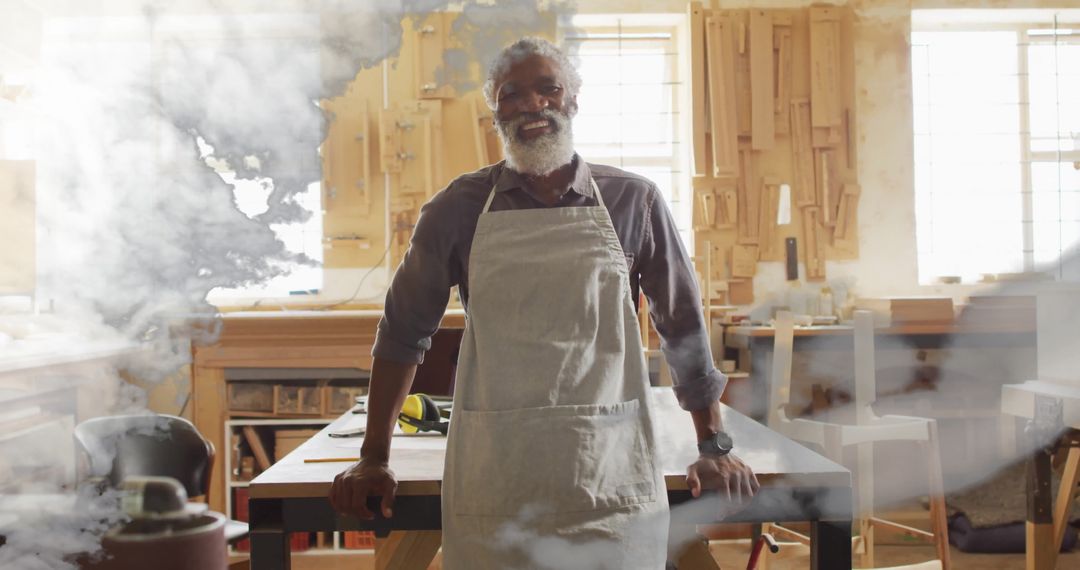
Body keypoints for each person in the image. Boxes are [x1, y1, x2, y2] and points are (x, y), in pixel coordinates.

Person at [329, 36, 758, 569]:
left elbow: (684, 328)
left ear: (572, 100)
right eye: (512, 95)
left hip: (607, 462)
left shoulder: (634, 201)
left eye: (548, 89)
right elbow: (401, 334)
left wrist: (713, 445)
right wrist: (373, 456)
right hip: (497, 471)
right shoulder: (456, 209)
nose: (532, 105)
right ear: (496, 114)